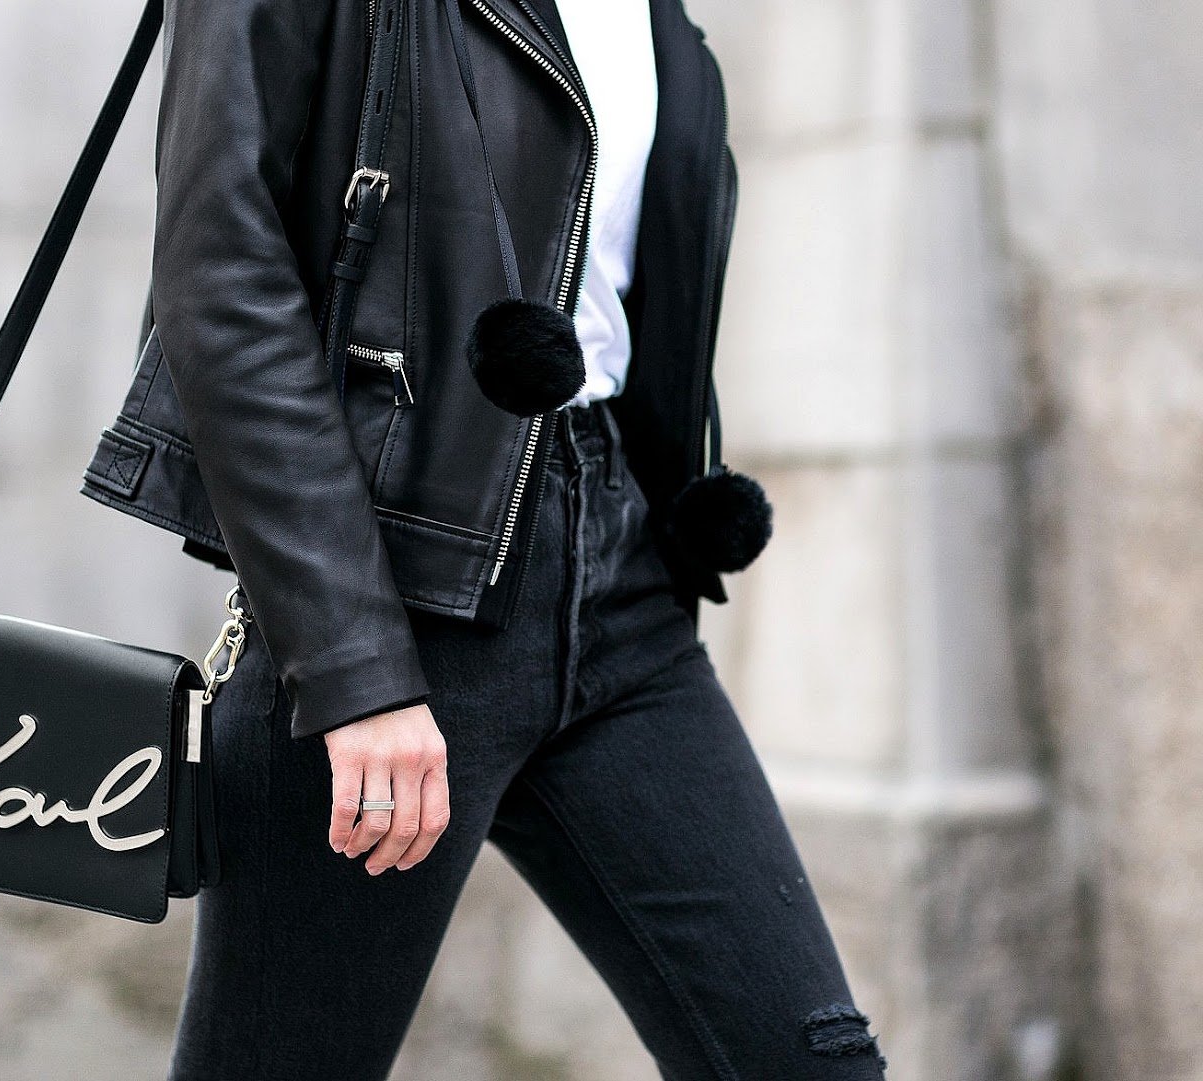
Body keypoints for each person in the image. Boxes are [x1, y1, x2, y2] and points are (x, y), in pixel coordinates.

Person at [80, 0, 888, 1076]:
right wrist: (353, 664)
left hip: (619, 581)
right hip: (395, 588)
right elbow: (218, 272)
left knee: (807, 1062)